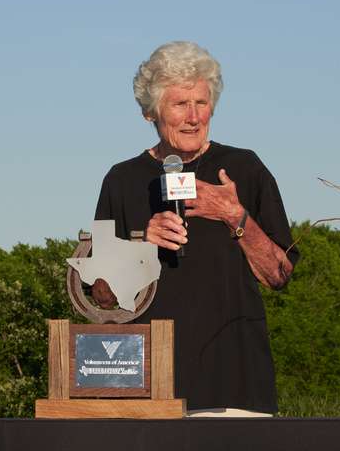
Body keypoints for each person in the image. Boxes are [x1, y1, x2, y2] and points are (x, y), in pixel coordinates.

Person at [92, 41, 299, 416]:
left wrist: (235, 216)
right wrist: (141, 247)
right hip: (148, 385)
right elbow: (101, 299)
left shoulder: (245, 168)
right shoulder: (121, 180)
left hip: (236, 385)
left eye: (201, 103)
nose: (193, 117)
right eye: (179, 104)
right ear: (150, 112)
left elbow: (280, 275)